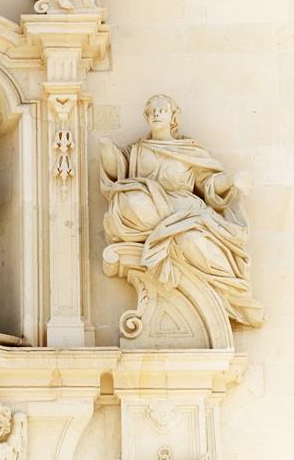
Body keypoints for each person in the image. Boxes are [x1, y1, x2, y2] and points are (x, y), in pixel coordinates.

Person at [99, 94, 262, 327]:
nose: (156, 113)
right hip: (153, 211)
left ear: (173, 116)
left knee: (194, 242)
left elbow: (209, 184)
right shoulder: (137, 151)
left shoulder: (188, 151)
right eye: (152, 110)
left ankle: (237, 299)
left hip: (187, 213)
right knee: (130, 200)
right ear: (146, 116)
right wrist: (105, 149)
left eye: (162, 110)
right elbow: (118, 175)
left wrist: (232, 182)